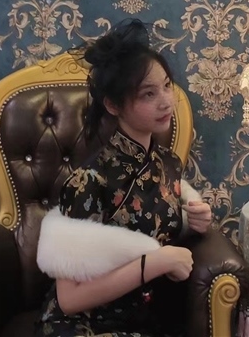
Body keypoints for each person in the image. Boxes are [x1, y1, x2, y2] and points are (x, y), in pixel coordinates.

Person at [35, 19, 213, 337]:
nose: (166, 101)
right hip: (83, 325)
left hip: (144, 321)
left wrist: (194, 221)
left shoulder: (169, 164)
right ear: (113, 105)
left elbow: (161, 230)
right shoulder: (89, 181)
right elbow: (70, 300)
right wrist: (155, 263)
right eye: (148, 94)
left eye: (167, 86)